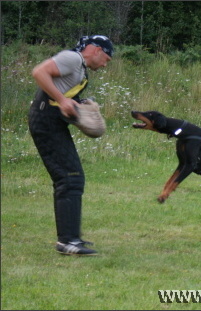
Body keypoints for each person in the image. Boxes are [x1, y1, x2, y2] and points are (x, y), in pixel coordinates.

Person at [28, 35, 113, 255]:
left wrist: (75, 104)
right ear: (96, 50)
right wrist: (63, 100)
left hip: (52, 121)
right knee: (69, 178)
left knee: (72, 178)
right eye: (106, 58)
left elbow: (60, 94)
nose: (105, 64)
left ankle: (71, 238)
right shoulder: (72, 58)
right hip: (45, 121)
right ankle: (68, 242)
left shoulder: (80, 68)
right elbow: (39, 72)